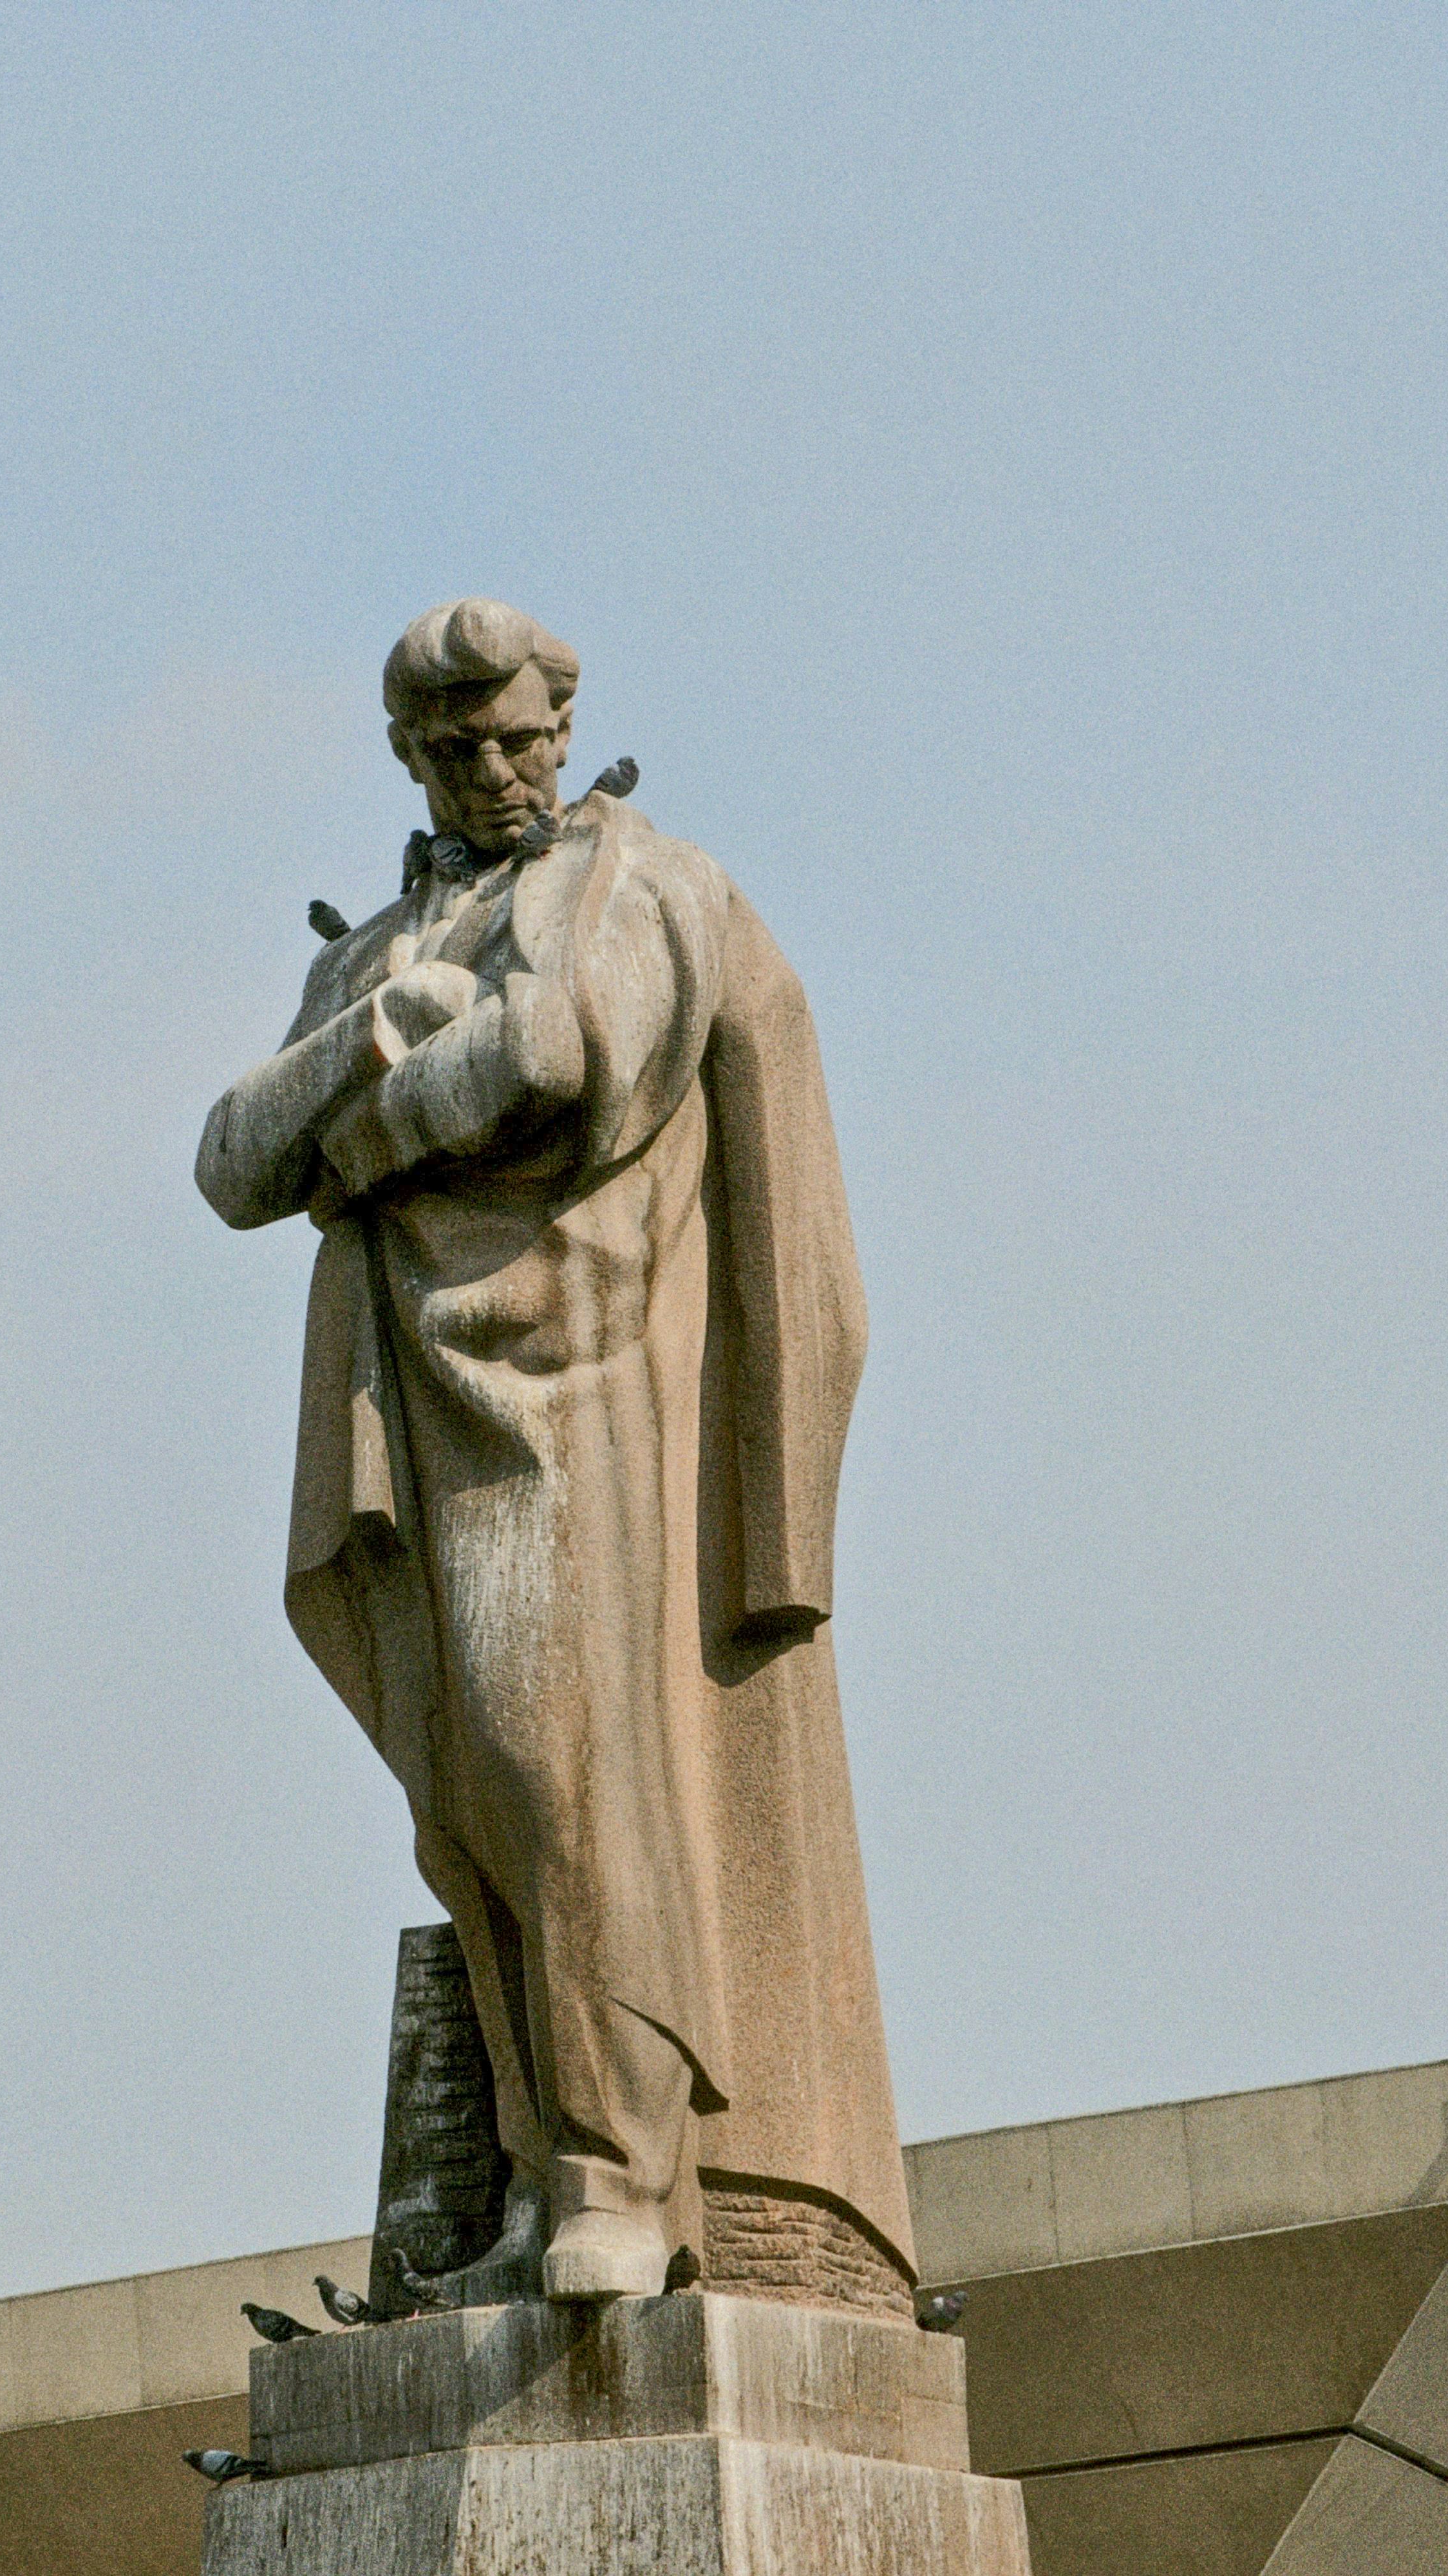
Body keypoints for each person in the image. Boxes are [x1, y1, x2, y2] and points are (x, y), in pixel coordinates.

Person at [198, 599, 916, 2306]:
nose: (492, 769)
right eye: (453, 747)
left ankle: (617, 2169)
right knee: (470, 1819)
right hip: (415, 1431)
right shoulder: (368, 957)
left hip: (582, 1414)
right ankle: (548, 2179)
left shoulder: (644, 884)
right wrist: (382, 1033)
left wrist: (347, 1132)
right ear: (409, 753)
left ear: (565, 721)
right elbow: (230, 1161)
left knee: (564, 1774)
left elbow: (552, 1056)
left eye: (516, 736)